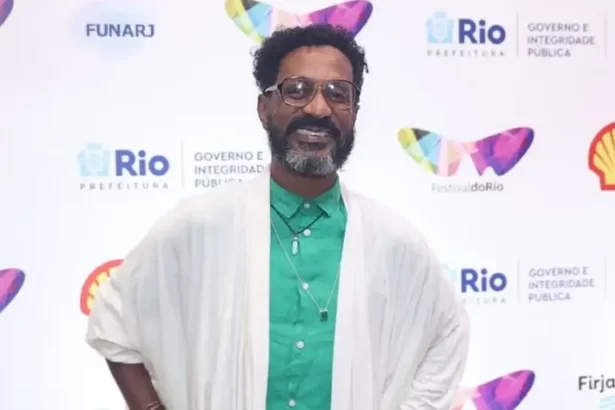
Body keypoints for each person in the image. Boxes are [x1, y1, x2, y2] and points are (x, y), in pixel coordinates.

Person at [86, 23, 470, 410]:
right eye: (297, 90)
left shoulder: (391, 239)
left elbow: (448, 329)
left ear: (354, 112)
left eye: (338, 94)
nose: (318, 109)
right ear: (264, 108)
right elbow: (115, 319)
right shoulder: (202, 224)